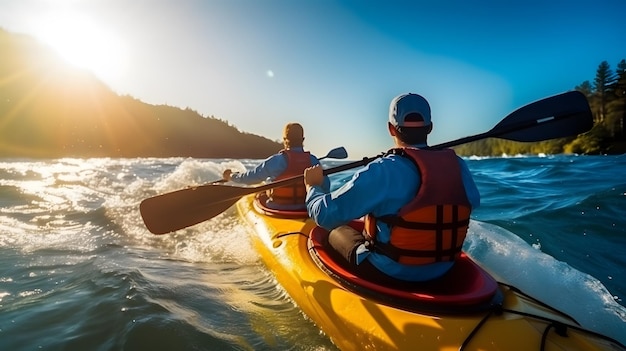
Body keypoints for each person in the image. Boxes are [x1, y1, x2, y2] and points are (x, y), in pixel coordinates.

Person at [303, 93, 480, 282]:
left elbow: (326, 215)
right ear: (430, 127)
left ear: (391, 129)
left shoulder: (382, 170)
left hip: (390, 273)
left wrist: (313, 187)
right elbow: (473, 203)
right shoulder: (458, 165)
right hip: (444, 270)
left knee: (335, 231)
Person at [223, 122, 330, 210]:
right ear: (303, 139)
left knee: (263, 191)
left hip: (278, 209)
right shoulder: (313, 161)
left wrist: (232, 176)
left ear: (285, 139)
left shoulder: (276, 161)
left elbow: (250, 178)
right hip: (306, 209)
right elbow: (326, 187)